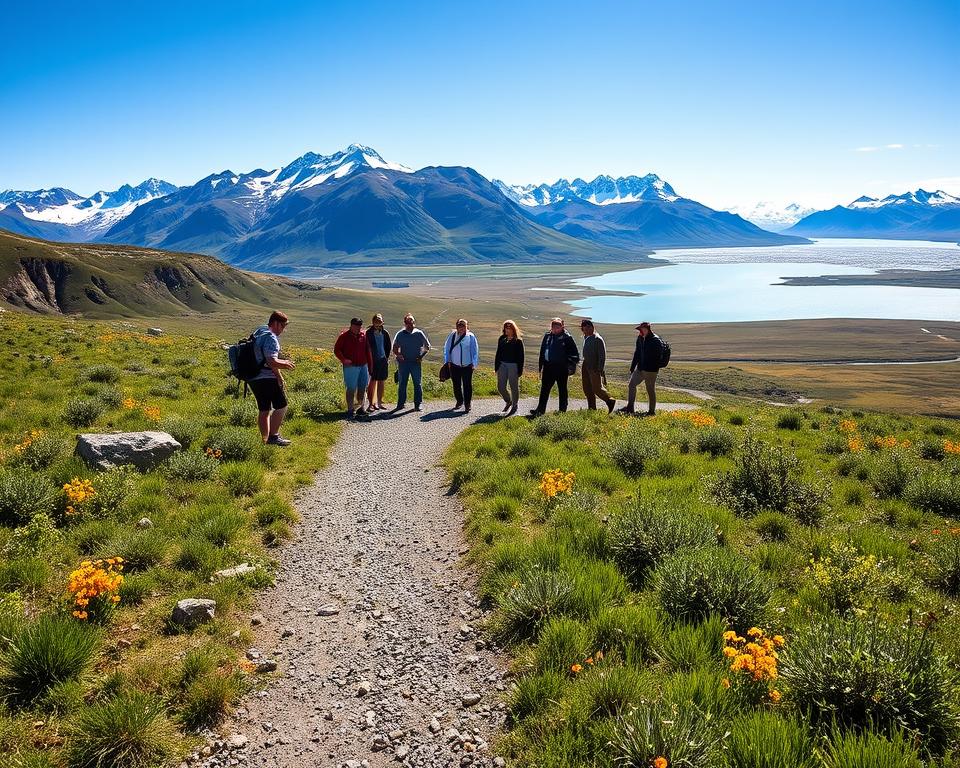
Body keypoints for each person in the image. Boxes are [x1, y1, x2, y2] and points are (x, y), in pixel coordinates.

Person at [248, 310, 296, 446]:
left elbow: (264, 359)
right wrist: (285, 363)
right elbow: (271, 361)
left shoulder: (259, 331)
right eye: (282, 326)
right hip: (266, 378)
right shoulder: (271, 337)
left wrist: (279, 376)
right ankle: (273, 437)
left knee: (264, 410)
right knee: (281, 406)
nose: (283, 330)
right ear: (275, 323)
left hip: (253, 377)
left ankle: (265, 440)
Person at [531, 318, 579, 416]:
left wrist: (567, 365)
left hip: (561, 369)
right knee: (544, 389)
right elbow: (543, 351)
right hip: (548, 367)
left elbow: (575, 355)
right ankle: (540, 410)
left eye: (557, 327)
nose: (555, 329)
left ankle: (562, 411)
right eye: (553, 327)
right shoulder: (548, 336)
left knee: (562, 390)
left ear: (562, 327)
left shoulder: (567, 338)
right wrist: (541, 366)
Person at [621, 321, 665, 416]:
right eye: (640, 330)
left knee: (650, 389)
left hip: (651, 370)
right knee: (631, 385)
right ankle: (630, 407)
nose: (640, 331)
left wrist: (651, 366)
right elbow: (637, 353)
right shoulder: (640, 339)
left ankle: (651, 411)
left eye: (641, 329)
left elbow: (658, 357)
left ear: (647, 329)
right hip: (640, 368)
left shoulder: (655, 340)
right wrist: (632, 367)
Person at [334, 317, 373, 420]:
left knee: (363, 387)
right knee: (351, 388)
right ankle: (350, 410)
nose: (358, 328)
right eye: (356, 326)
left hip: (363, 366)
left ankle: (361, 408)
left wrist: (370, 366)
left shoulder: (363, 336)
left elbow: (367, 350)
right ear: (351, 325)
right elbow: (337, 350)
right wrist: (343, 360)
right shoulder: (344, 336)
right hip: (350, 367)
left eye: (359, 326)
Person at [392, 313, 431, 411]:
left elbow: (427, 346)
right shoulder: (400, 334)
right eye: (407, 322)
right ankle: (401, 404)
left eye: (411, 321)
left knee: (417, 383)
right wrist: (398, 355)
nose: (409, 324)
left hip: (415, 363)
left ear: (414, 322)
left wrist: (421, 356)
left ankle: (418, 404)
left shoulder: (419, 333)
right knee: (402, 384)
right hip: (403, 363)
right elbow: (395, 347)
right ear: (404, 323)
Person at [443, 318, 479, 413]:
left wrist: (474, 363)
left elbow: (474, 351)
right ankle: (459, 401)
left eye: (463, 325)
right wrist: (448, 362)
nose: (461, 327)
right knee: (456, 385)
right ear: (457, 326)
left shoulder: (470, 336)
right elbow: (447, 349)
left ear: (467, 327)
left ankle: (467, 404)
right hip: (454, 365)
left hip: (467, 366)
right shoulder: (452, 336)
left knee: (467, 385)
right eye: (459, 325)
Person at [579, 319, 616, 413]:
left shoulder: (597, 339)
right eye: (585, 328)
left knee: (597, 388)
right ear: (582, 329)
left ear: (592, 327)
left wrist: (599, 369)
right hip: (586, 364)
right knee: (587, 388)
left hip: (594, 367)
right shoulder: (586, 337)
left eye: (589, 327)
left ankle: (609, 400)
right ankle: (592, 408)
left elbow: (602, 356)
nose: (587, 329)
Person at [494, 320, 524, 414]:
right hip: (502, 365)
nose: (507, 329)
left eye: (509, 328)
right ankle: (508, 401)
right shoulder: (502, 339)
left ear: (513, 329)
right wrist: (496, 367)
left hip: (513, 366)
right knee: (500, 387)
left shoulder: (518, 341)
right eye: (506, 327)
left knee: (513, 386)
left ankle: (514, 405)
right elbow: (498, 353)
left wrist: (520, 370)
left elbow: (521, 357)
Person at [365, 313, 391, 411]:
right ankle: (371, 403)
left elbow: (388, 346)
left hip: (382, 360)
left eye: (380, 321)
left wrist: (386, 358)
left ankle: (379, 402)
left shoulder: (385, 333)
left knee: (381, 381)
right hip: (372, 361)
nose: (378, 323)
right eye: (376, 321)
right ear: (373, 321)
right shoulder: (368, 333)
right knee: (372, 382)